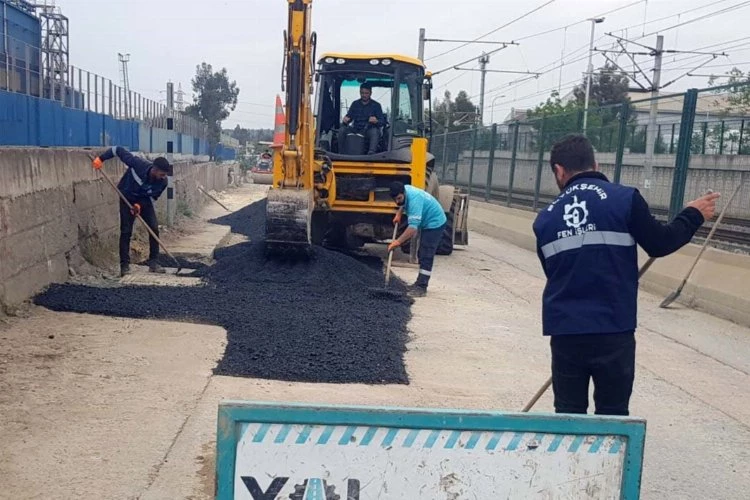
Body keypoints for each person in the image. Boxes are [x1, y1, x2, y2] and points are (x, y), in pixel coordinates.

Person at [532, 134, 719, 416]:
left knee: (569, 416)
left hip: (566, 332)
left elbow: (554, 272)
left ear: (558, 170)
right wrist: (692, 215)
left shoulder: (545, 218)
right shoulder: (624, 199)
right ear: (595, 164)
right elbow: (660, 243)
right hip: (613, 329)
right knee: (613, 414)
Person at [92, 146, 172, 277]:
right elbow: (117, 149)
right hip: (127, 197)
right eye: (162, 174)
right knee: (126, 231)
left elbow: (152, 198)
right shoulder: (137, 164)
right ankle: (124, 266)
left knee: (154, 228)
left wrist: (139, 205)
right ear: (155, 169)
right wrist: (101, 159)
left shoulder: (162, 182)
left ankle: (154, 262)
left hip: (144, 201)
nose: (163, 177)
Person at [388, 181, 447, 298]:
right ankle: (419, 283)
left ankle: (421, 287)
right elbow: (403, 203)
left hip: (435, 222)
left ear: (403, 192)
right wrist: (399, 213)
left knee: (426, 253)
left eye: (399, 198)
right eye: (395, 200)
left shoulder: (415, 199)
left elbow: (412, 228)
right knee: (422, 253)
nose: (397, 202)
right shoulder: (405, 190)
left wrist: (398, 242)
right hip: (427, 220)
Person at [339, 82, 385, 154]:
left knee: (375, 132)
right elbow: (349, 116)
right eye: (362, 93)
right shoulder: (355, 104)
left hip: (368, 130)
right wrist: (346, 119)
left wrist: (376, 121)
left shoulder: (376, 105)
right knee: (342, 130)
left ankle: (371, 153)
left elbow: (382, 122)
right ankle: (340, 153)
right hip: (355, 129)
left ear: (370, 93)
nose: (364, 95)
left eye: (366, 93)